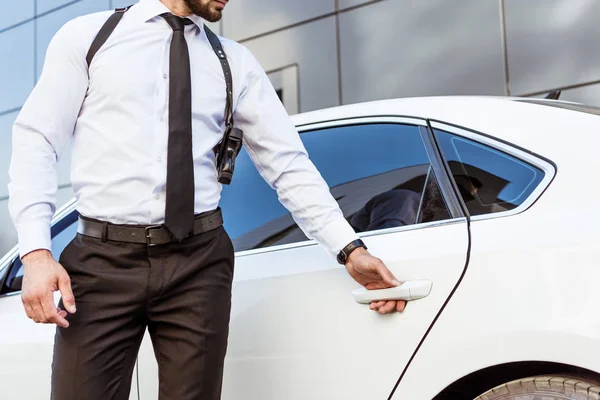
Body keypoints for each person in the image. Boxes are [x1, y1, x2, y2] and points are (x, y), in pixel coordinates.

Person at [8, 0, 406, 399]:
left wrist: (349, 248)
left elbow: (287, 164)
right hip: (100, 262)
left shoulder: (234, 62)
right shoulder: (88, 38)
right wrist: (36, 253)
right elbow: (37, 140)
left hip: (198, 263)